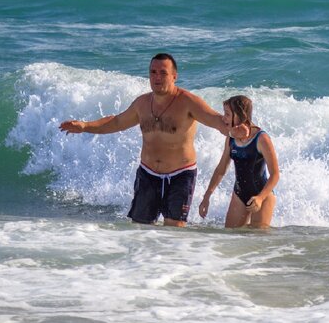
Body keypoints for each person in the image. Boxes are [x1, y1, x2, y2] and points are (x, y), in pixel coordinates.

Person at [59, 53, 241, 227]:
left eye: (163, 73)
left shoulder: (188, 102)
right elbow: (117, 122)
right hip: (148, 174)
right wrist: (85, 126)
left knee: (174, 234)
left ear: (174, 76)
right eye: (153, 72)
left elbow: (216, 120)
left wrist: (240, 131)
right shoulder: (142, 104)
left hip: (180, 175)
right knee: (141, 232)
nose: (157, 77)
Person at [198, 95, 280, 229]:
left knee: (257, 241)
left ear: (240, 115)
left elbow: (275, 174)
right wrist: (206, 197)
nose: (223, 118)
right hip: (239, 194)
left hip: (262, 195)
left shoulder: (261, 139)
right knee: (231, 237)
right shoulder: (230, 139)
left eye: (227, 114)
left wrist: (260, 198)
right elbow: (221, 169)